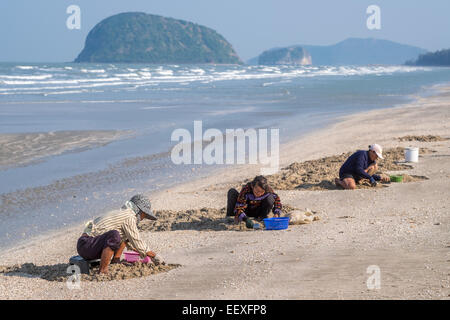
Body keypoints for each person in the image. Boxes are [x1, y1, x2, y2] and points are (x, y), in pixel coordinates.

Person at [77, 194, 165, 274]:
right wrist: (154, 255)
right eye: (144, 215)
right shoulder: (129, 216)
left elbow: (131, 241)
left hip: (90, 245)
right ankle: (103, 270)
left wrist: (142, 252)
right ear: (140, 211)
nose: (143, 218)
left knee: (124, 236)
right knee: (114, 235)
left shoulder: (123, 213)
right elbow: (136, 240)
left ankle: (116, 259)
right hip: (86, 245)